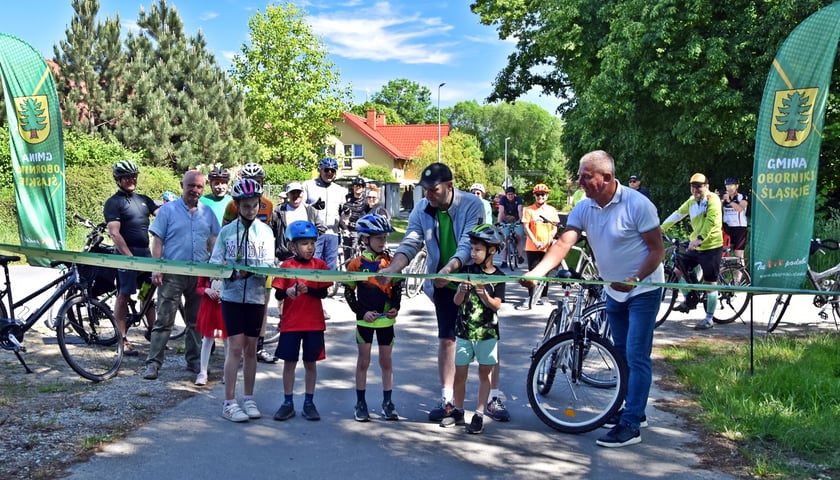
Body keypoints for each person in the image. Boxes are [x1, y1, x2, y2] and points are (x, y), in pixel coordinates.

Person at [522, 150, 664, 448]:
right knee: (622, 353)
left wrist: (635, 279)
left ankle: (631, 424)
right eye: (580, 175)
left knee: (637, 355)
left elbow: (657, 251)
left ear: (608, 178)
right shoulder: (584, 208)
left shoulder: (638, 205)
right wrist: (537, 273)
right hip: (614, 292)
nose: (580, 181)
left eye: (586, 176)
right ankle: (632, 410)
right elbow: (564, 242)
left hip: (644, 289)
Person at [377, 162, 505, 424]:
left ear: (449, 186)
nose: (428, 195)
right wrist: (392, 269)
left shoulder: (472, 205)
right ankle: (448, 400)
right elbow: (411, 242)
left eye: (433, 189)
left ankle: (493, 397)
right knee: (447, 339)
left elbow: (468, 246)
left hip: (473, 278)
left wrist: (449, 268)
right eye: (424, 190)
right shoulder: (422, 209)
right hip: (443, 284)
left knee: (486, 340)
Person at [143, 170, 220, 380]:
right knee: (164, 320)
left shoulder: (208, 212)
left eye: (199, 187)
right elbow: (157, 240)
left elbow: (213, 240)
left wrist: (215, 268)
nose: (195, 190)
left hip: (200, 275)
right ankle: (153, 364)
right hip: (173, 274)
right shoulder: (167, 211)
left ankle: (194, 361)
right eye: (191, 186)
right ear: (182, 185)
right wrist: (156, 267)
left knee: (196, 322)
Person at [210, 178, 275, 422]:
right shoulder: (227, 232)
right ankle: (229, 402)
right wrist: (232, 272)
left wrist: (255, 271)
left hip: (256, 297)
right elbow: (215, 264)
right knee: (234, 348)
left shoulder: (266, 232)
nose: (250, 210)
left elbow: (269, 264)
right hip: (232, 297)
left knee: (251, 349)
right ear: (237, 205)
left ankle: (248, 398)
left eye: (254, 205)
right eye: (245, 206)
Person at [443, 224, 505, 434]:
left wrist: (484, 295)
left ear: (492, 250)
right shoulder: (467, 271)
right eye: (472, 249)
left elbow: (497, 304)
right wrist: (461, 290)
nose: (473, 253)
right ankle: (458, 410)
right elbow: (457, 301)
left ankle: (479, 414)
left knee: (484, 374)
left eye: (478, 250)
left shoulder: (498, 276)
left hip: (487, 333)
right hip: (464, 332)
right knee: (460, 374)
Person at [343, 214, 403, 422]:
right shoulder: (355, 265)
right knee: (364, 361)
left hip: (386, 321)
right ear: (365, 239)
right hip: (364, 321)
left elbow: (397, 288)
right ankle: (360, 402)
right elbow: (349, 292)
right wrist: (361, 312)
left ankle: (388, 402)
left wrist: (395, 307)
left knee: (386, 362)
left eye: (384, 238)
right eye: (378, 238)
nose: (382, 242)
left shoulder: (390, 262)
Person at [271, 220, 333, 422]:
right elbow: (278, 294)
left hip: (314, 323)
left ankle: (309, 401)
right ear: (293, 246)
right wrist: (288, 292)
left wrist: (311, 290)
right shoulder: (286, 266)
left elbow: (324, 292)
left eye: (312, 243)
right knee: (289, 363)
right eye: (305, 243)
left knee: (310, 364)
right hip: (291, 323)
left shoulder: (320, 265)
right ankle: (287, 402)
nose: (310, 247)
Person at [103, 160, 159, 357]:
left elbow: (162, 216)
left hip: (145, 252)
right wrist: (128, 257)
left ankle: (154, 334)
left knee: (149, 293)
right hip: (127, 254)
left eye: (134, 176)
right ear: (118, 180)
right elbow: (115, 233)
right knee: (124, 295)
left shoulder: (144, 199)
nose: (131, 180)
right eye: (127, 177)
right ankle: (123, 339)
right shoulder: (113, 202)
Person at [222, 162, 277, 363]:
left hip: (261, 261)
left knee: (262, 303)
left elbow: (270, 231)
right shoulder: (232, 205)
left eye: (258, 180)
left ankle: (259, 346)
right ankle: (235, 348)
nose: (254, 183)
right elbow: (225, 229)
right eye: (250, 180)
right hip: (238, 263)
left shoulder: (269, 205)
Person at [661, 173, 724, 330]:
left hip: (711, 246)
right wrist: (660, 228)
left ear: (706, 187)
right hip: (695, 246)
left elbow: (711, 222)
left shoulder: (713, 200)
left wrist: (700, 239)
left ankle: (709, 319)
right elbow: (678, 214)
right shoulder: (691, 201)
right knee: (678, 270)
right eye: (693, 186)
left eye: (699, 186)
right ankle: (690, 298)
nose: (695, 189)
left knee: (710, 283)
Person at [302, 157, 347, 271]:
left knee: (330, 266)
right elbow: (300, 206)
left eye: (333, 171)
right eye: (326, 170)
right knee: (313, 263)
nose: (329, 173)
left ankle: (328, 288)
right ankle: (311, 288)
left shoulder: (340, 190)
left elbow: (343, 216)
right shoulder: (308, 185)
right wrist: (312, 206)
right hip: (314, 232)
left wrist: (346, 213)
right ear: (320, 170)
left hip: (333, 232)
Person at [521, 183, 559, 306]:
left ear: (547, 196)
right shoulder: (529, 210)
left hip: (547, 245)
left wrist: (549, 239)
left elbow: (555, 228)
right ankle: (531, 296)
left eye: (542, 194)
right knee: (533, 271)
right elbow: (526, 227)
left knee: (546, 271)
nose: (540, 197)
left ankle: (544, 296)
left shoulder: (551, 210)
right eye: (538, 195)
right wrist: (535, 241)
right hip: (532, 246)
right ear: (534, 196)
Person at [271, 182, 326, 262]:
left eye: (298, 192)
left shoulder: (310, 210)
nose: (296, 195)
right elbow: (270, 229)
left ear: (303, 194)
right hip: (284, 257)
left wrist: (309, 239)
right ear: (287, 194)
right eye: (293, 192)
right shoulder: (278, 211)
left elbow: (322, 228)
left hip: (306, 258)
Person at [194, 276, 226, 386]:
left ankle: (228, 373)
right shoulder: (207, 265)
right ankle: (202, 372)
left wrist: (224, 293)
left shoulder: (231, 262)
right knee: (207, 339)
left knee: (227, 340)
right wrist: (207, 290)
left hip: (225, 304)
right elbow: (198, 287)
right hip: (209, 305)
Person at [720, 177, 748, 261]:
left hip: (739, 228)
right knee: (723, 253)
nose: (729, 188)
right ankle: (724, 272)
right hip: (726, 227)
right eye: (727, 186)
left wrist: (729, 201)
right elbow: (715, 211)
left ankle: (739, 273)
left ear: (737, 186)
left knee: (738, 256)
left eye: (731, 186)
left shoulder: (742, 197)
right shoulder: (723, 198)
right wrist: (719, 200)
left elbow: (740, 208)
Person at [497, 186, 525, 268]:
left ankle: (519, 256)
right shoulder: (503, 199)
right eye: (508, 194)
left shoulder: (518, 199)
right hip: (505, 220)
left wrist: (521, 220)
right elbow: (501, 211)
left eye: (512, 194)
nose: (510, 196)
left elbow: (520, 210)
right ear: (506, 195)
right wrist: (499, 222)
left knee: (519, 236)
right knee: (504, 239)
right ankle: (504, 261)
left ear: (514, 194)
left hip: (516, 219)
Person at [340, 177, 368, 256]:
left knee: (361, 256)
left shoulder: (366, 202)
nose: (358, 187)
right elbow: (339, 216)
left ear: (363, 188)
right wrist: (345, 229)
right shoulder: (346, 199)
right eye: (356, 186)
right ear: (353, 187)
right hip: (348, 230)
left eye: (360, 186)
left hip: (361, 232)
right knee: (347, 255)